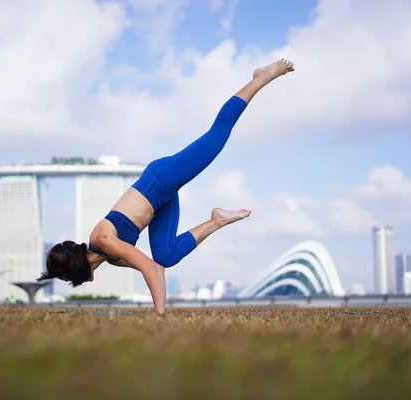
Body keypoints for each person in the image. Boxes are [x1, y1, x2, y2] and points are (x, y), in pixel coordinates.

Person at [37, 58, 295, 312]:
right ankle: (216, 220)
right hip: (162, 203)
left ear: (74, 271)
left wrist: (160, 315)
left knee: (216, 136)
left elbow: (147, 269)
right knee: (166, 256)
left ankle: (259, 78)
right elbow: (155, 266)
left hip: (160, 181)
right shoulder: (112, 258)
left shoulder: (102, 240)